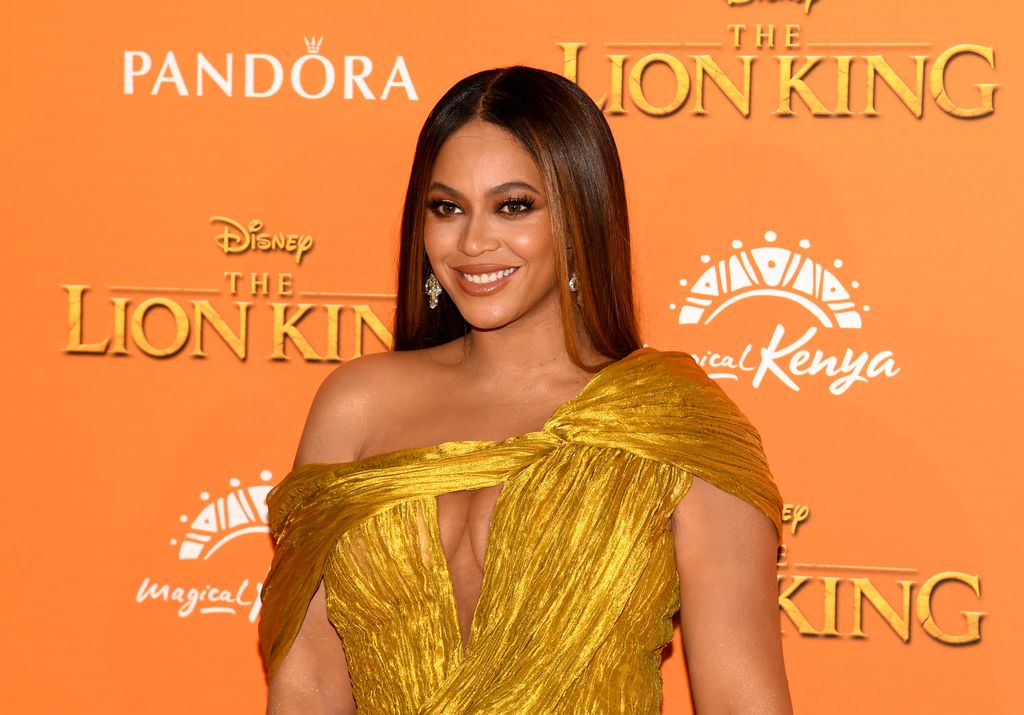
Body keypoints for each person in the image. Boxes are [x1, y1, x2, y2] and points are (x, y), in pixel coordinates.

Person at [260, 66, 792, 714]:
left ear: (579, 214)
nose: (474, 242)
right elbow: (307, 680)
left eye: (514, 205)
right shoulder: (355, 406)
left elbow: (743, 701)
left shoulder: (671, 425)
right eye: (447, 208)